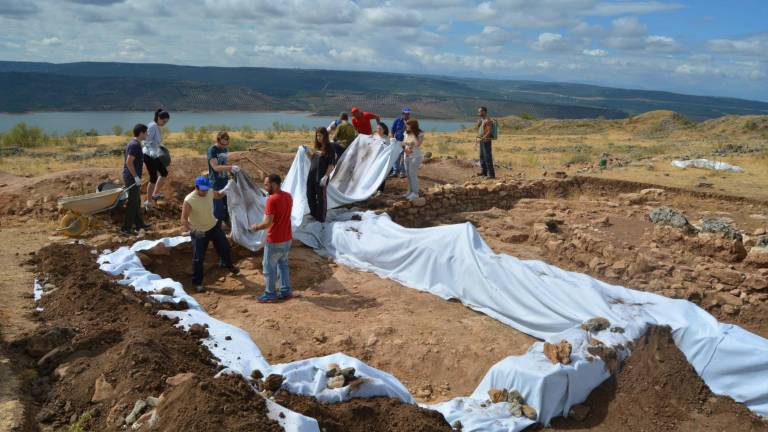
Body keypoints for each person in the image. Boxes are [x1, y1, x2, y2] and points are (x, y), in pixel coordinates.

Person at [182, 176, 240, 292]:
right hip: (199, 232)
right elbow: (183, 219)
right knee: (199, 258)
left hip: (214, 226)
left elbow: (218, 195)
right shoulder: (189, 200)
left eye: (206, 189)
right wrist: (194, 231)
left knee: (225, 248)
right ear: (196, 187)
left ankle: (228, 265)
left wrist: (227, 188)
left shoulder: (209, 191)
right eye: (202, 190)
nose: (205, 192)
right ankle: (197, 283)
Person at [250, 174, 293, 303]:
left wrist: (256, 227)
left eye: (266, 185)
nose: (264, 187)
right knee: (283, 264)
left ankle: (270, 293)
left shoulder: (272, 200)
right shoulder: (288, 196)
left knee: (269, 267)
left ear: (273, 184)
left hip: (275, 240)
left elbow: (267, 223)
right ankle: (285, 291)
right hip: (287, 238)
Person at [121, 124, 151, 235]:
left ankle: (139, 224)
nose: (147, 134)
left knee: (137, 202)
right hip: (131, 177)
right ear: (141, 133)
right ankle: (126, 228)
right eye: (146, 132)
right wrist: (135, 177)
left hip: (132, 176)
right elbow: (129, 162)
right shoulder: (134, 145)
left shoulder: (135, 144)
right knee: (133, 203)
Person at [207, 131, 241, 225]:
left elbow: (224, 163)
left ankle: (228, 223)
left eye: (225, 144)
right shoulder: (212, 150)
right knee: (217, 206)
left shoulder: (224, 149)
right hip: (216, 182)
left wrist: (231, 171)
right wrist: (230, 167)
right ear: (218, 141)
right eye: (222, 144)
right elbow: (215, 167)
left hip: (225, 180)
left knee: (227, 203)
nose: (223, 146)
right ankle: (216, 226)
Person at [306, 127, 337, 222]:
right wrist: (306, 152)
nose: (318, 138)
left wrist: (326, 176)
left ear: (325, 136)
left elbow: (331, 164)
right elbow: (312, 159)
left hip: (321, 176)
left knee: (321, 198)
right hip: (312, 175)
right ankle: (314, 214)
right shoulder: (317, 147)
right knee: (310, 195)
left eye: (320, 135)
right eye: (317, 136)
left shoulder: (330, 148)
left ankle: (321, 218)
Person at [143, 108, 170, 209]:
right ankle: (148, 201)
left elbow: (154, 141)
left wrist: (159, 146)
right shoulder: (152, 126)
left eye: (166, 122)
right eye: (164, 121)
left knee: (164, 172)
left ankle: (155, 194)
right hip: (148, 155)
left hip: (154, 155)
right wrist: (152, 151)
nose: (165, 123)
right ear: (158, 118)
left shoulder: (156, 126)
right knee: (153, 177)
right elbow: (145, 141)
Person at [403, 119, 424, 200]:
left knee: (413, 175)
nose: (406, 126)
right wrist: (405, 149)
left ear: (413, 126)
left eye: (408, 125)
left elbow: (418, 144)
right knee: (408, 174)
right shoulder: (406, 133)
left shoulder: (420, 134)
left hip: (416, 156)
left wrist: (413, 134)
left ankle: (415, 193)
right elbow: (404, 143)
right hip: (406, 155)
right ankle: (410, 191)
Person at [390, 107, 410, 178]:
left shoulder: (411, 122)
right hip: (397, 141)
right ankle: (395, 171)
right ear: (402, 113)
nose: (406, 115)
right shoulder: (397, 120)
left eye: (408, 113)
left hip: (406, 143)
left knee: (404, 158)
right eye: (405, 113)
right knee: (396, 157)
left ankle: (402, 172)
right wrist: (392, 139)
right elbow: (393, 130)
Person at [476, 106, 495, 178]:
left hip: (486, 141)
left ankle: (491, 174)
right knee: (482, 156)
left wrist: (482, 138)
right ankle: (484, 172)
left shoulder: (488, 120)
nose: (478, 113)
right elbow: (480, 129)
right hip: (482, 140)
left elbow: (489, 132)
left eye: (480, 111)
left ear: (484, 112)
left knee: (487, 157)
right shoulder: (482, 120)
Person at [373, 123, 390, 195]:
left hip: (382, 159)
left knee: (381, 175)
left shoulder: (387, 138)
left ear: (384, 130)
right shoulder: (374, 136)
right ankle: (374, 189)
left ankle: (380, 190)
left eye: (380, 129)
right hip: (374, 159)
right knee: (374, 174)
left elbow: (388, 149)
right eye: (377, 128)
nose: (378, 130)